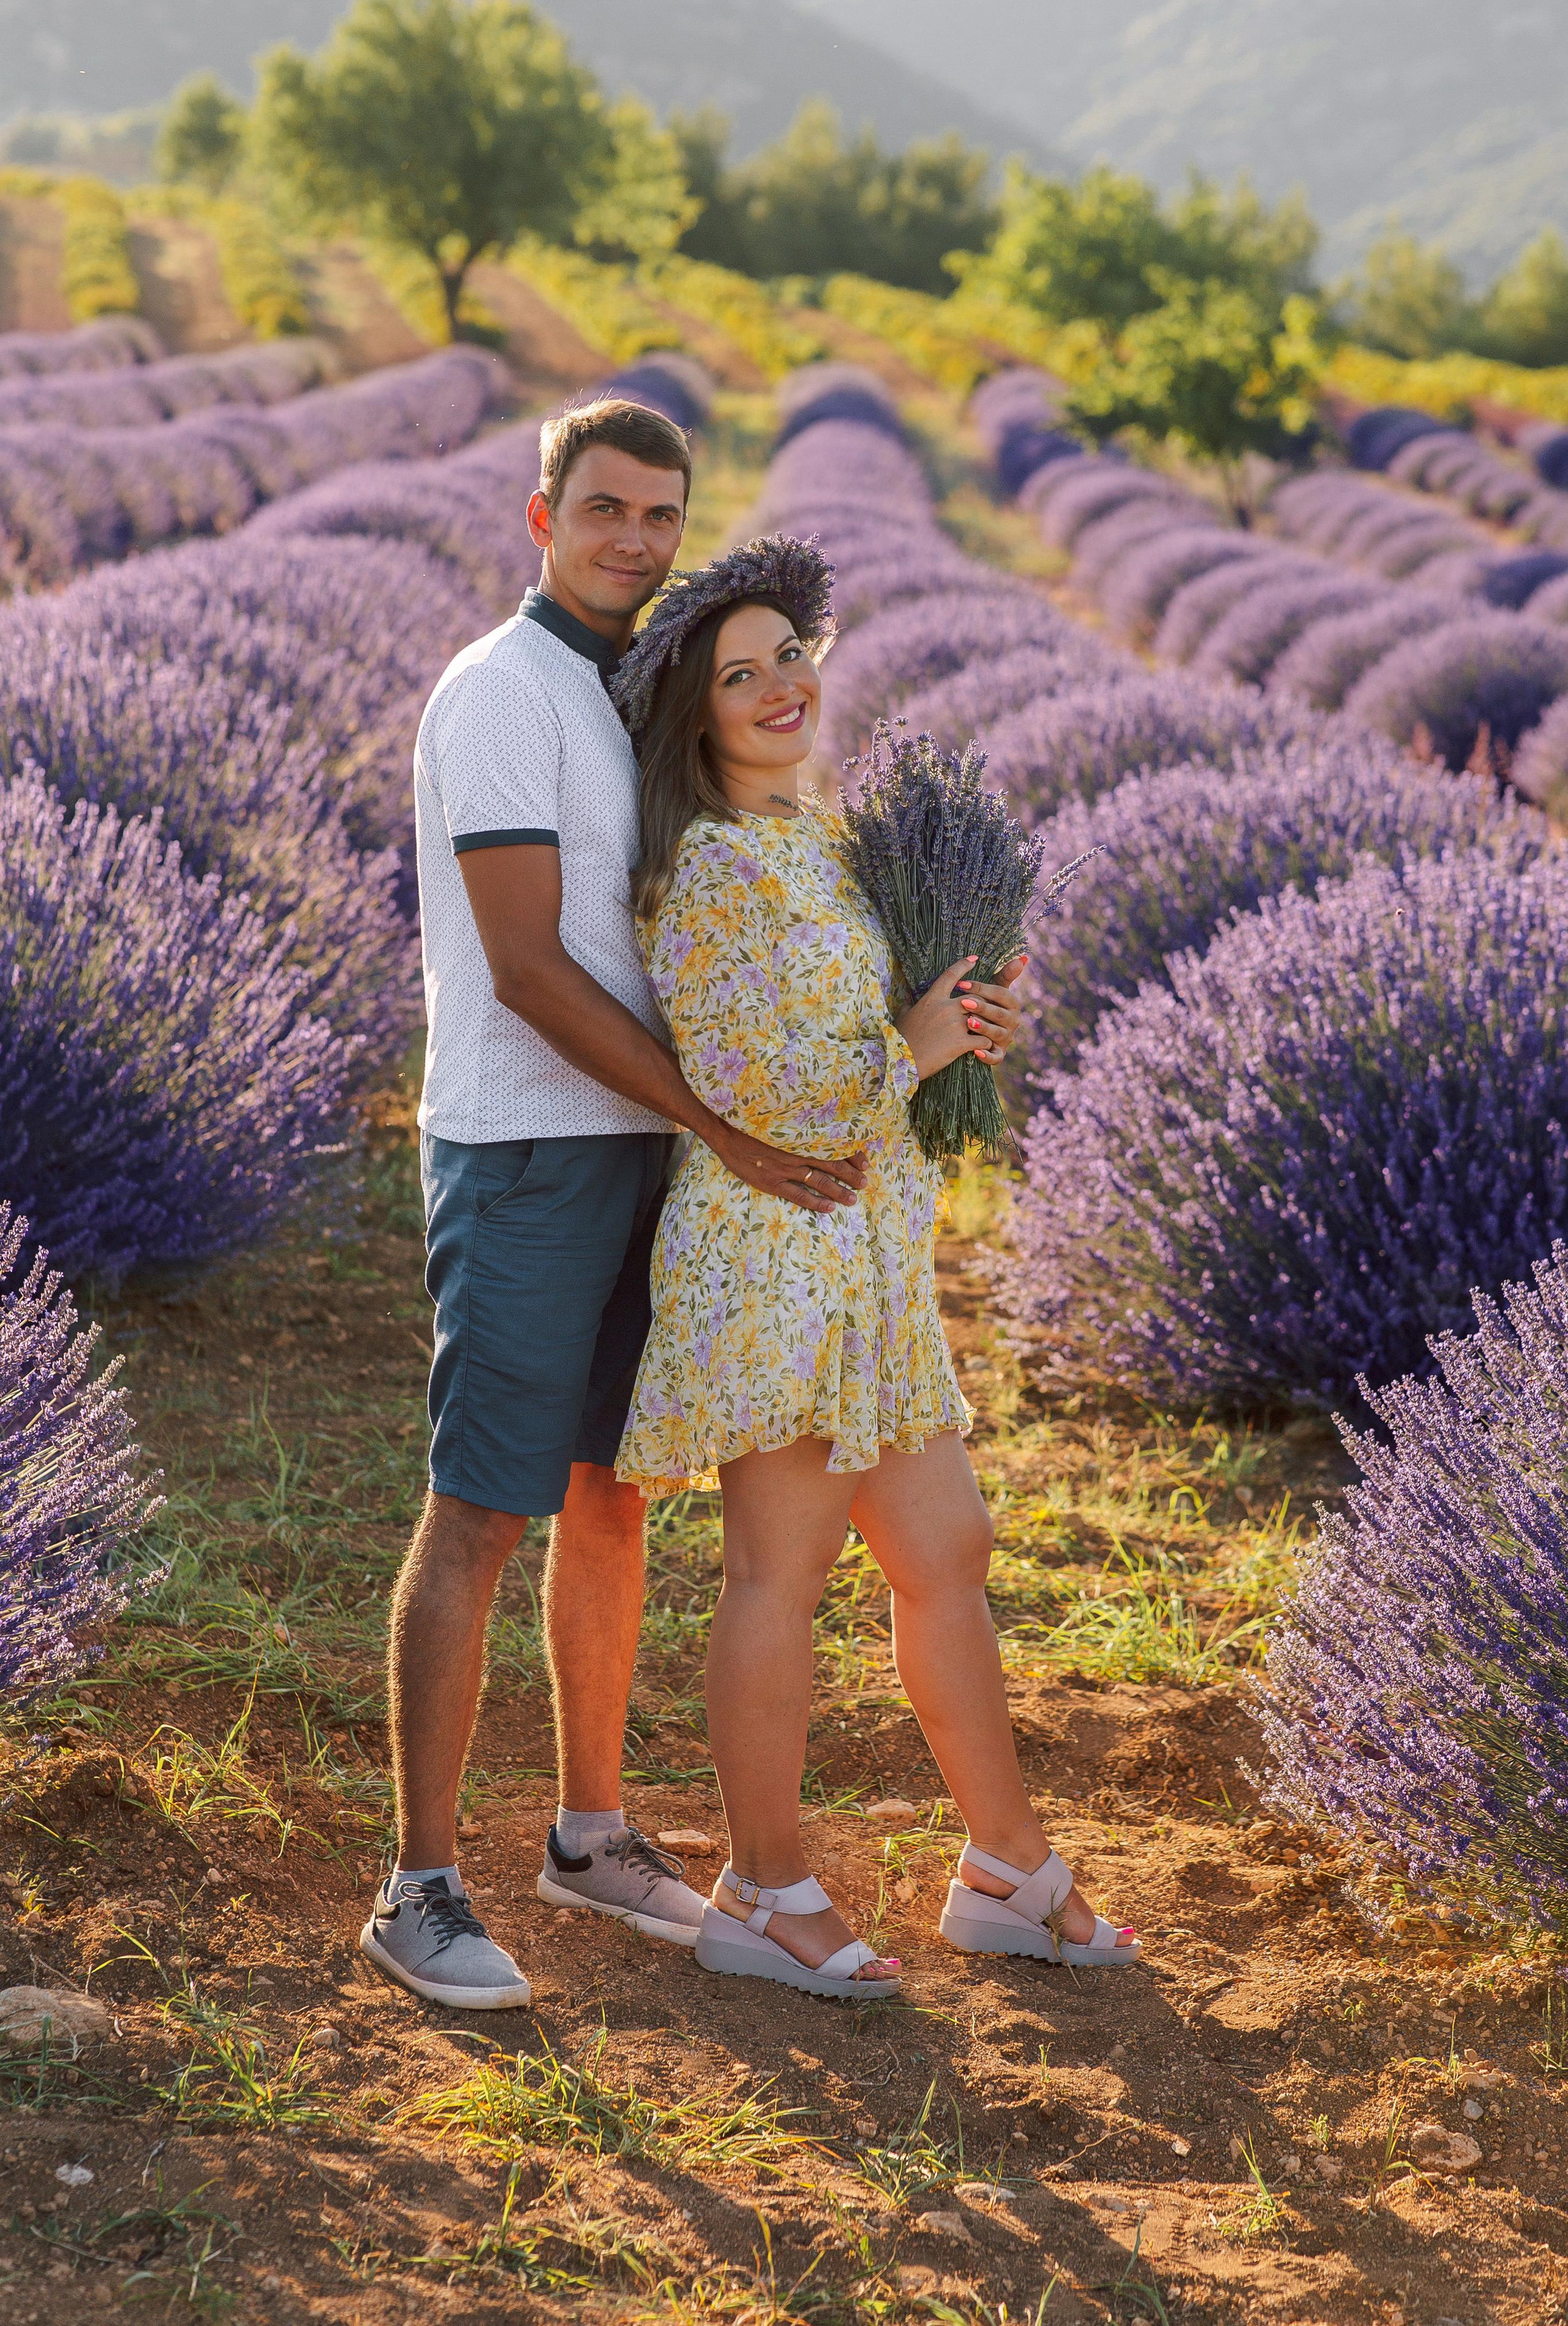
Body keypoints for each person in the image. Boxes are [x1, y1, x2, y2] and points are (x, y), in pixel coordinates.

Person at [361, 402, 872, 2011]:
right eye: (605, 509)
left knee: (612, 1494)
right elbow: (523, 969)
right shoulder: (502, 694)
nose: (637, 540)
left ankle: (589, 1834)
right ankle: (419, 1886)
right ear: (540, 517)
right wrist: (715, 1111)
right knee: (480, 1511)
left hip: (650, 1147)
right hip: (527, 1152)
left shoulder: (636, 689)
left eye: (664, 515)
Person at [608, 536, 1142, 1999]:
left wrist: (956, 1021)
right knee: (779, 1573)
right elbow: (757, 1094)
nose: (781, 686)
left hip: (871, 1256)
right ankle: (762, 1890)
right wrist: (909, 1044)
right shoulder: (707, 868)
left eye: (790, 655)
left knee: (945, 1551)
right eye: (740, 673)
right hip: (776, 1255)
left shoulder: (824, 839)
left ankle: (1001, 1871)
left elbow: (872, 1055)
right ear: (692, 716)